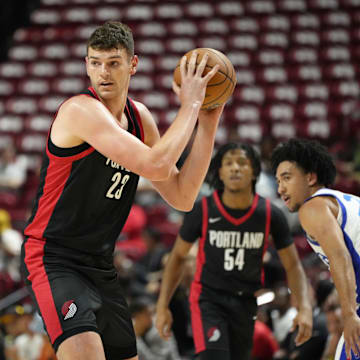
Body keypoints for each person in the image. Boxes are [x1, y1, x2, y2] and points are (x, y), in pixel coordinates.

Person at [21, 21, 225, 360]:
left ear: (133, 64)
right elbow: (157, 165)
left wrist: (208, 120)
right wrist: (189, 104)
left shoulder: (140, 118)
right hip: (53, 258)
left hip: (100, 264)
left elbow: (182, 195)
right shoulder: (79, 111)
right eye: (95, 62)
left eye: (113, 62)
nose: (103, 72)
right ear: (86, 64)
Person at [156, 142, 313, 360]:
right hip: (208, 299)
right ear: (219, 172)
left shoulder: (270, 215)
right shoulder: (202, 210)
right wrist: (163, 306)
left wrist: (304, 307)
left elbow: (293, 265)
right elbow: (178, 257)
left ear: (255, 170)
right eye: (228, 163)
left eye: (242, 162)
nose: (235, 168)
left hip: (246, 302)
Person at [271, 138, 360, 360]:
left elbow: (340, 257)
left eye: (287, 178)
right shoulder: (346, 200)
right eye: (277, 181)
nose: (280, 188)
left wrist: (349, 315)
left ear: (310, 177)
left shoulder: (312, 207)